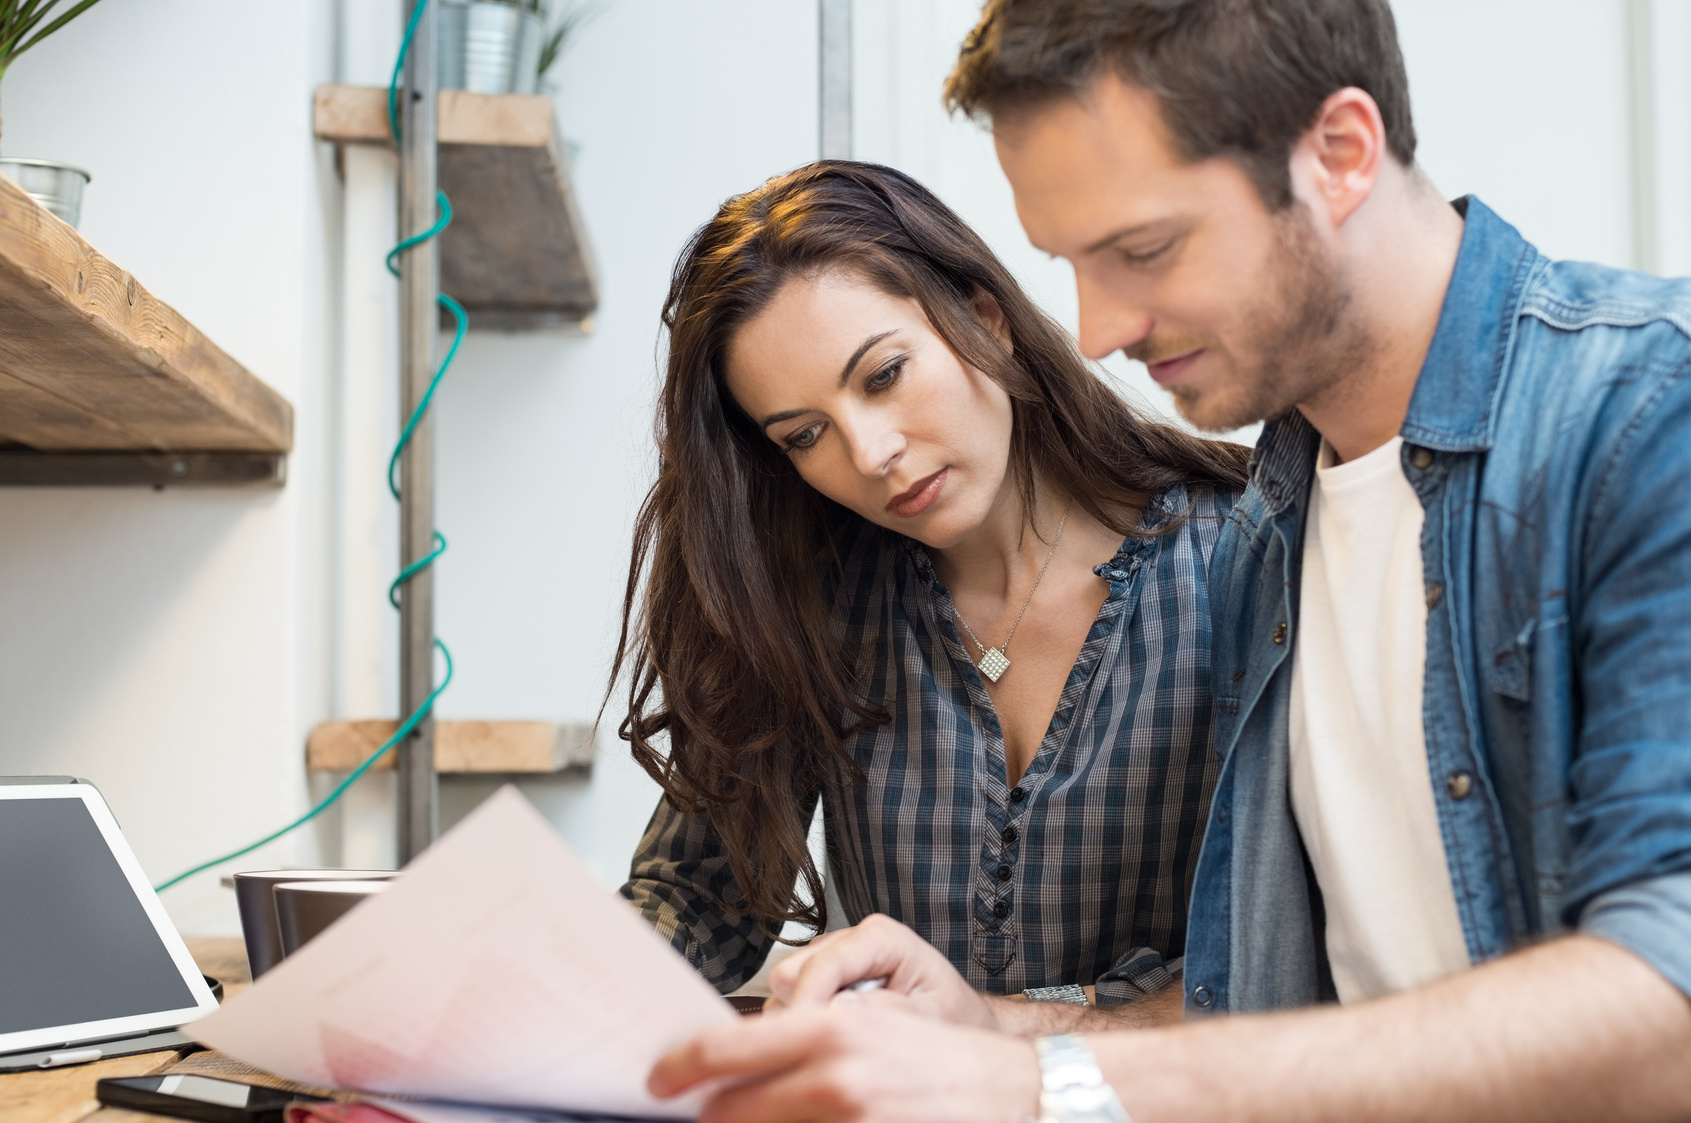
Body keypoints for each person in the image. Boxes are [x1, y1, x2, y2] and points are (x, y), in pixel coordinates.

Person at [645, 1, 1691, 1121]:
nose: (1092, 329)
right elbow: (1267, 1011)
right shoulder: (1274, 533)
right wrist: (989, 1023)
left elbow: (1667, 1007)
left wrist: (1027, 1079)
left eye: (1140, 250)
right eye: (1071, 264)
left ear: (1338, 155)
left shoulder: (1640, 415)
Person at [611, 161, 1250, 1012]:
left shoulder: (1243, 560)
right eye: (805, 436)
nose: (870, 454)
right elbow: (693, 901)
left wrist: (1020, 1028)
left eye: (883, 376)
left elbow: (1291, 951)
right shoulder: (817, 599)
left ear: (983, 317)